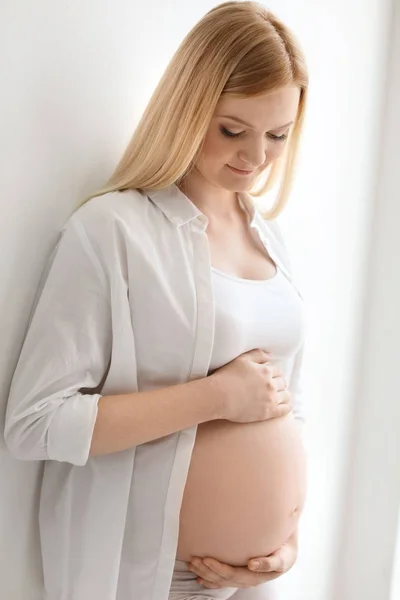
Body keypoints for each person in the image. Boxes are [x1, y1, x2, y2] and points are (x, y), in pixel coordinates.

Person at [4, 2, 309, 599]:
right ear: (189, 105)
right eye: (232, 129)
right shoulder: (113, 230)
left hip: (251, 586)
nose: (255, 159)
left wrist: (287, 539)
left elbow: (288, 408)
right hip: (144, 576)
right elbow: (34, 424)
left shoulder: (272, 241)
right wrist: (215, 397)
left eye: (278, 135)